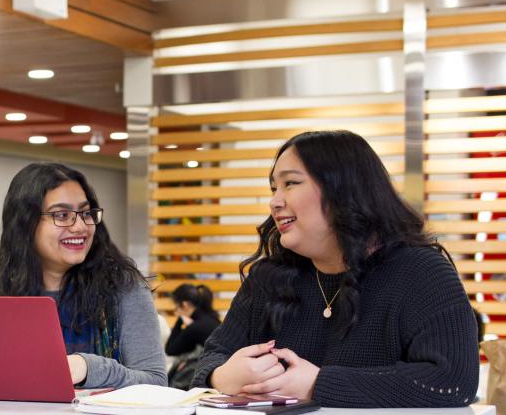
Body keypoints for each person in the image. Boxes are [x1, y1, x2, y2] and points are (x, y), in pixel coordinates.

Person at [192, 130, 478, 407]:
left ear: (343, 190)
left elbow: (453, 382)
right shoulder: (268, 277)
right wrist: (221, 376)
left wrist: (317, 383)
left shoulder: (420, 271)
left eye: (290, 183)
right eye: (273, 188)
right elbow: (213, 355)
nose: (275, 201)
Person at [0, 162, 166, 389]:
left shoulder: (124, 289)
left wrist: (87, 368)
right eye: (62, 215)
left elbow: (155, 383)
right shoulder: (0, 290)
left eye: (86, 213)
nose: (79, 227)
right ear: (26, 224)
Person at [165, 284, 220, 389]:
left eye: (176, 306)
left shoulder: (195, 327)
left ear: (184, 305)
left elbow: (170, 349)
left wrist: (179, 320)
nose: (175, 310)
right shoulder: (213, 319)